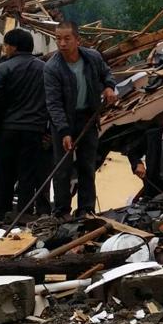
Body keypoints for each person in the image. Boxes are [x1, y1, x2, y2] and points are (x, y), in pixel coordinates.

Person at [44, 21, 118, 217]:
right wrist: (64, 131)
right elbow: (53, 104)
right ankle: (61, 210)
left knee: (87, 165)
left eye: (67, 39)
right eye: (58, 39)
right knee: (63, 168)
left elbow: (107, 74)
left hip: (88, 116)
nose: (62, 43)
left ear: (77, 40)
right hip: (64, 121)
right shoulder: (52, 67)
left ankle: (86, 208)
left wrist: (109, 86)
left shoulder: (92, 58)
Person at [0, 29, 49, 222]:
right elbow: (51, 100)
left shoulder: (3, 69)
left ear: (13, 46)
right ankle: (23, 213)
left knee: (5, 173)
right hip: (34, 130)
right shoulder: (44, 69)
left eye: (6, 45)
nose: (5, 49)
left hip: (8, 130)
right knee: (27, 174)